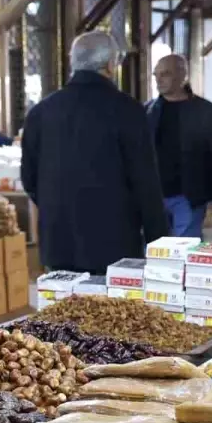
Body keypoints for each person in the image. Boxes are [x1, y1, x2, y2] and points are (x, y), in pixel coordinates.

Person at [21, 31, 168, 273]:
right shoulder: (127, 111)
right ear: (111, 65)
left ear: (73, 63)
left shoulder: (40, 112)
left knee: (63, 309)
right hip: (113, 242)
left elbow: (29, 178)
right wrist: (158, 242)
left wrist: (59, 205)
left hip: (59, 241)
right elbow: (145, 182)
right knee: (109, 311)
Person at [146, 54, 212, 239]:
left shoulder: (206, 111)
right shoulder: (147, 111)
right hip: (154, 195)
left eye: (165, 74)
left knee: (185, 251)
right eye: (156, 75)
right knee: (154, 251)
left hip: (190, 195)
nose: (159, 80)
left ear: (183, 75)